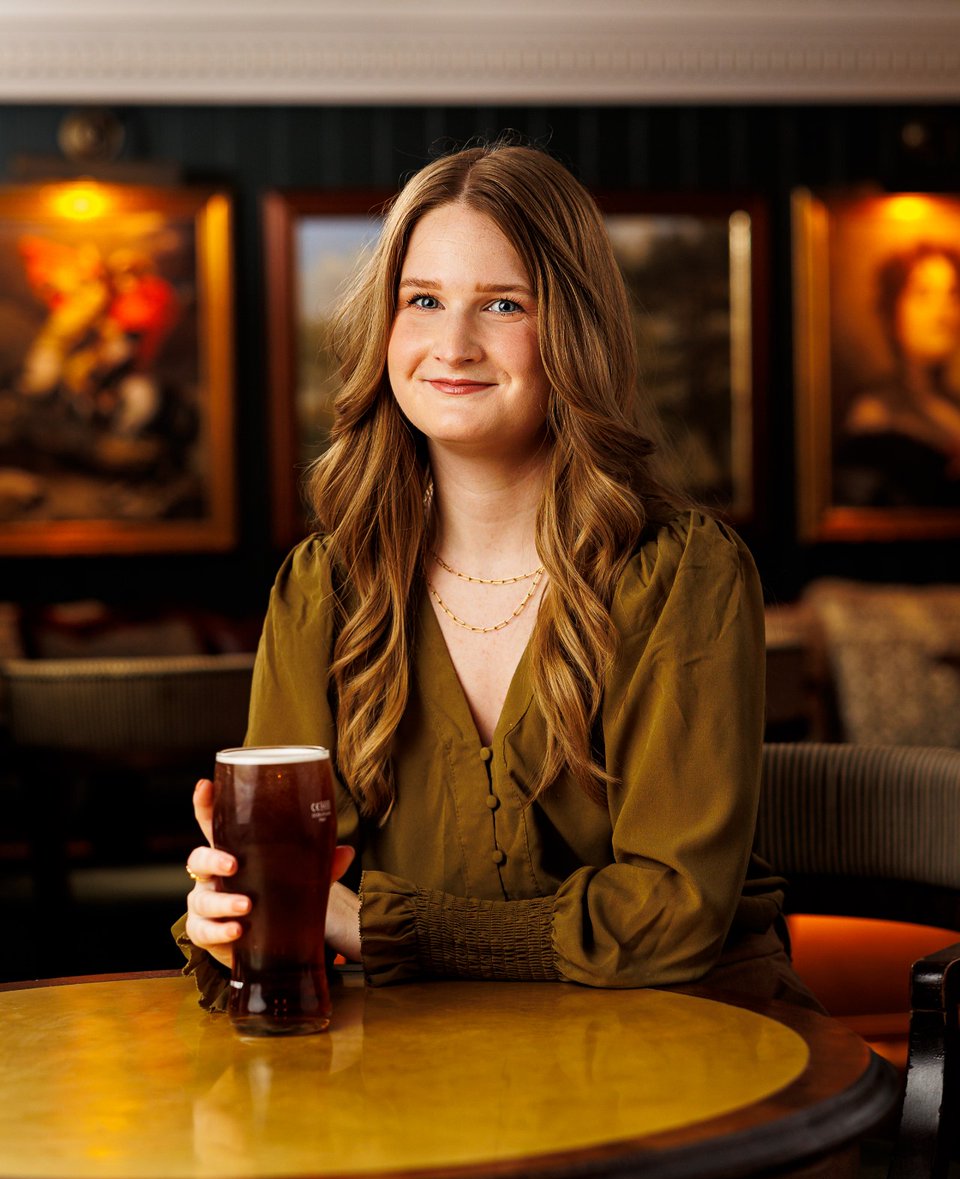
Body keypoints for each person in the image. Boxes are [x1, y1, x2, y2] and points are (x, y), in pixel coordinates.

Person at [176, 141, 819, 1012]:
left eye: (505, 303)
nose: (453, 343)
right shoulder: (325, 587)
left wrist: (374, 928)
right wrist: (228, 919)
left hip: (688, 1048)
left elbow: (672, 917)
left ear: (574, 330)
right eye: (425, 300)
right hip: (433, 1063)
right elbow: (290, 894)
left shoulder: (682, 574)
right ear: (387, 329)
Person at [835, 242, 960, 507]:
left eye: (952, 294)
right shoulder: (874, 411)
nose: (943, 311)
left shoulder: (953, 404)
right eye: (923, 294)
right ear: (893, 310)